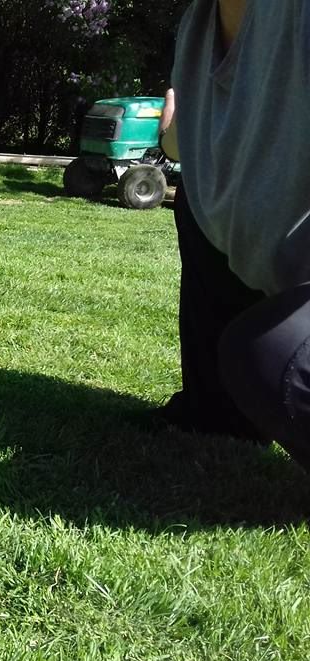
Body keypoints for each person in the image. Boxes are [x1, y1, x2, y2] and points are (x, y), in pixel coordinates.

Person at [154, 0, 310, 470]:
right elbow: (191, 140)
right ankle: (217, 415)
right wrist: (171, 138)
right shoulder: (198, 28)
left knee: (276, 359)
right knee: (195, 199)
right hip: (279, 272)